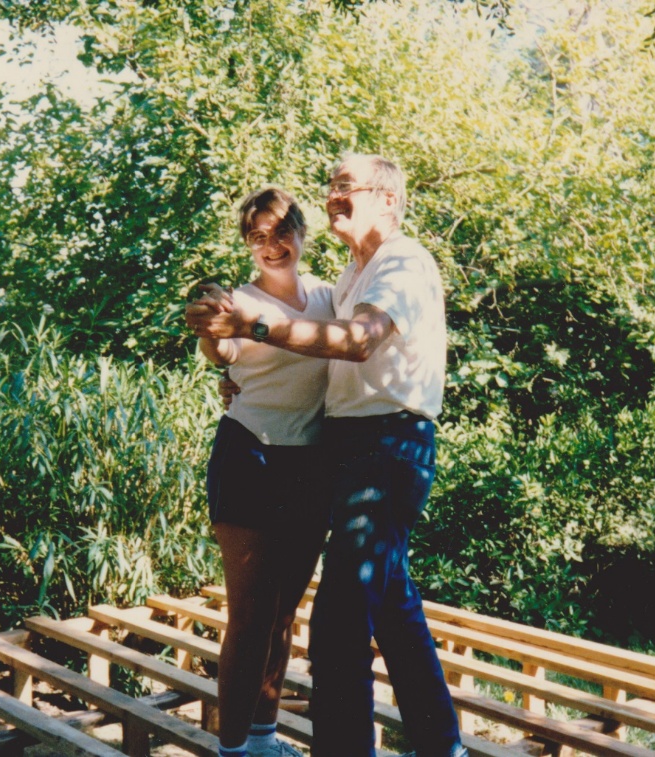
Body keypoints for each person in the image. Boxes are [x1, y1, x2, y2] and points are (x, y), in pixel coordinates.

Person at [187, 154, 466, 757]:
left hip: (382, 448)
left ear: (388, 200)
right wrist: (224, 355)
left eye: (349, 187)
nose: (337, 196)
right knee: (390, 607)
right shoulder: (348, 277)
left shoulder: (400, 263)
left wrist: (259, 326)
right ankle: (443, 746)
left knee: (335, 624)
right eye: (332, 187)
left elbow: (356, 343)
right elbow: (251, 358)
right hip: (323, 452)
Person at [186, 187, 333, 757]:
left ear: (301, 230)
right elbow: (217, 349)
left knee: (283, 615)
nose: (272, 246)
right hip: (250, 456)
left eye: (280, 232)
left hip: (311, 466)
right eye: (257, 237)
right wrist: (208, 331)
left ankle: (264, 738)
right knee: (249, 616)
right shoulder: (238, 302)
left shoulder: (330, 296)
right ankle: (232, 749)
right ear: (248, 245)